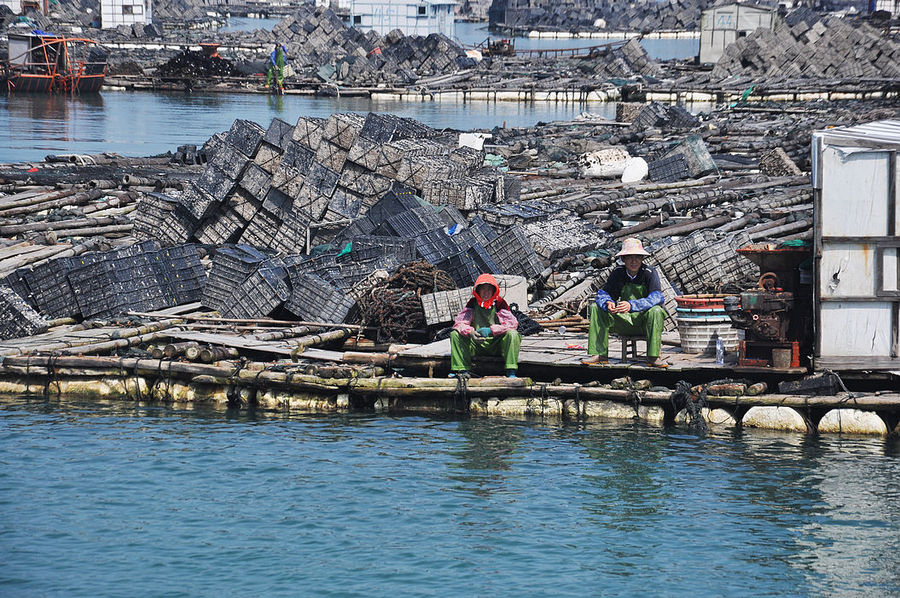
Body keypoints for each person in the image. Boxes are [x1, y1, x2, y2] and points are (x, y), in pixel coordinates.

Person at [582, 238, 667, 368]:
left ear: (642, 258)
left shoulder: (649, 272)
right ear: (623, 259)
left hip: (644, 322)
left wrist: (632, 305)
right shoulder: (618, 273)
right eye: (629, 257)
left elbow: (657, 297)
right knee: (595, 307)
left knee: (656, 310)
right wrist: (608, 303)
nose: (634, 261)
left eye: (637, 257)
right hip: (623, 321)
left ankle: (653, 357)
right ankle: (600, 354)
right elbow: (603, 294)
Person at [450, 273, 521, 378]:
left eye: (489, 289)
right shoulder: (472, 303)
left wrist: (491, 330)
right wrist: (471, 332)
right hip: (477, 344)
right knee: (455, 334)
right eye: (483, 289)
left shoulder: (499, 303)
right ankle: (461, 369)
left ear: (493, 290)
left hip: (496, 344)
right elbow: (459, 323)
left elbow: (512, 324)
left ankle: (511, 371)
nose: (486, 292)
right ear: (477, 290)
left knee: (513, 334)